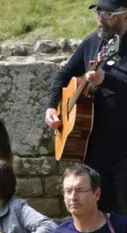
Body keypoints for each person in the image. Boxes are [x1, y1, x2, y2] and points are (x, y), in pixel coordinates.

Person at [45, 0, 127, 215]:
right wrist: (52, 106)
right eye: (98, 13)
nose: (101, 19)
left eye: (108, 14)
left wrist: (105, 80)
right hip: (93, 149)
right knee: (98, 213)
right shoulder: (92, 42)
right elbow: (63, 74)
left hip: (124, 150)